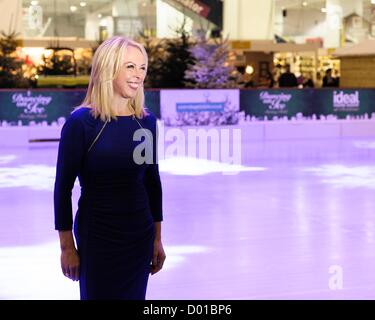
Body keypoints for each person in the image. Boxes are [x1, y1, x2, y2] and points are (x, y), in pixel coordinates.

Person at [54, 36, 166, 300]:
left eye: (142, 68)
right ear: (108, 68)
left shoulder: (146, 122)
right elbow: (62, 188)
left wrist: (157, 237)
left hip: (140, 234)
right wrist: (67, 246)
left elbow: (152, 182)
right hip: (98, 236)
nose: (138, 74)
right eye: (129, 66)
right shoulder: (81, 123)